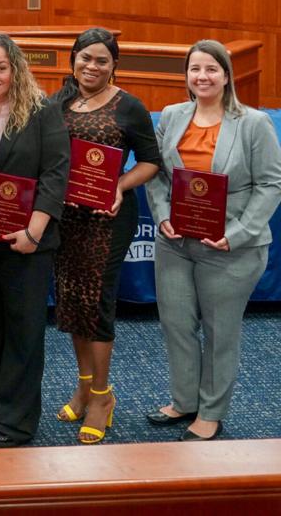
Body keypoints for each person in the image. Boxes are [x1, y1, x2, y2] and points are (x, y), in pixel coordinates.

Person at [143, 40, 281, 441]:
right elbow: (157, 174)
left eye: (211, 69)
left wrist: (235, 234)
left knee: (221, 331)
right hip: (175, 242)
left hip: (230, 247)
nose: (202, 77)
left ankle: (211, 411)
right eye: (194, 69)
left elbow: (271, 184)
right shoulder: (171, 115)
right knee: (175, 323)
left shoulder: (253, 123)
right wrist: (163, 216)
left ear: (226, 75)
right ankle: (184, 401)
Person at [50, 27, 161, 445]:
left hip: (108, 220)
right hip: (68, 218)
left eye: (101, 60)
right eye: (84, 57)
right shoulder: (59, 100)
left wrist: (119, 185)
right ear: (73, 59)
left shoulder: (129, 106)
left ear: (114, 65)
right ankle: (83, 385)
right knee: (74, 301)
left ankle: (101, 396)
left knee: (97, 303)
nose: (90, 66)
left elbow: (152, 161)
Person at [0, 34, 70, 447]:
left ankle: (18, 419)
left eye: (1, 68)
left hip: (29, 242)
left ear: (16, 69)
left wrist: (35, 230)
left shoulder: (44, 112)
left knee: (24, 330)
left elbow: (56, 173)